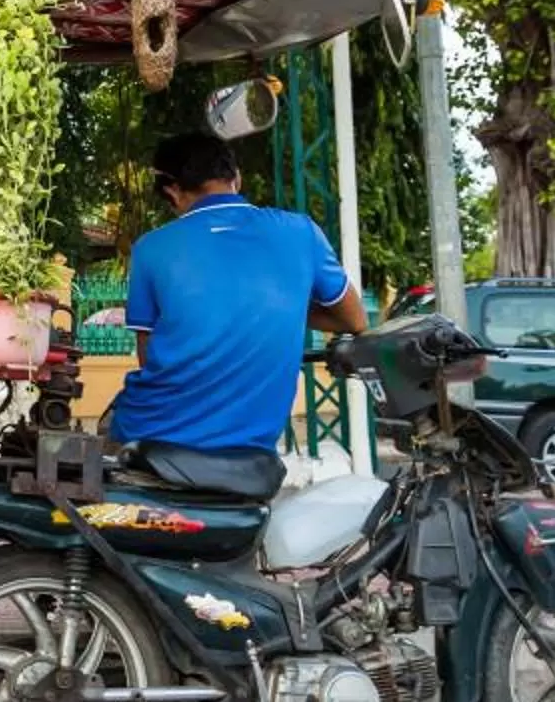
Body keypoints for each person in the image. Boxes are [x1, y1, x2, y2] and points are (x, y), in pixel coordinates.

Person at [104, 131, 368, 458]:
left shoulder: (150, 249)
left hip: (156, 436)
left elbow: (149, 358)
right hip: (251, 449)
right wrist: (290, 302)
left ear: (172, 191)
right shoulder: (301, 232)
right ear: (237, 178)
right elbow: (355, 320)